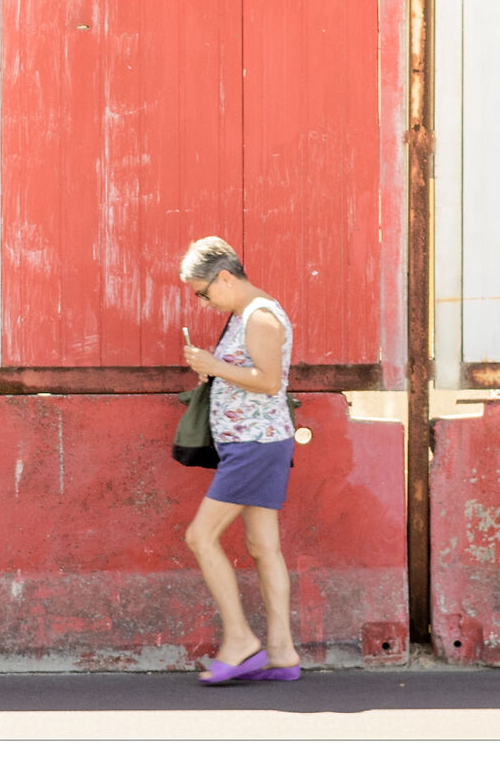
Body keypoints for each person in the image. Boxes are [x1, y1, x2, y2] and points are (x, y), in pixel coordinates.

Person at [177, 236, 302, 685]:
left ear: (225, 277)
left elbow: (269, 382)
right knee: (263, 548)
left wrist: (213, 364)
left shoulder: (261, 317)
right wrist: (212, 366)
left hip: (254, 446)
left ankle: (240, 640)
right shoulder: (243, 315)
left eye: (204, 293)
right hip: (251, 445)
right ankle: (282, 652)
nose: (204, 302)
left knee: (200, 536)